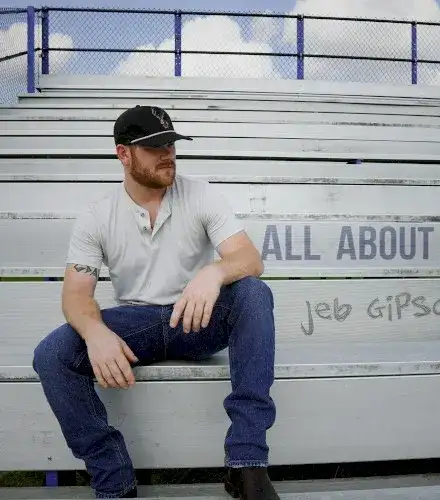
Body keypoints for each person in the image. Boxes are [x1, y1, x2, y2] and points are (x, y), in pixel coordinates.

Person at [32, 105, 280, 499]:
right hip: (137, 327)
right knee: (51, 355)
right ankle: (114, 481)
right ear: (123, 154)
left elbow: (250, 259)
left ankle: (247, 464)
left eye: (171, 144)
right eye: (154, 147)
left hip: (197, 319)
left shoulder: (200, 194)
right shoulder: (97, 214)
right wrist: (95, 333)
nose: (168, 154)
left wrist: (213, 273)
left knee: (253, 292)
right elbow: (76, 295)